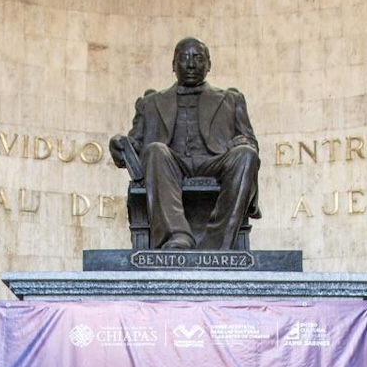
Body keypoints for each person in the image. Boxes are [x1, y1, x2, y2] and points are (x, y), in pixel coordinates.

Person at [110, 36, 259, 250]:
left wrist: (243, 142)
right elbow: (136, 142)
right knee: (154, 150)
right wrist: (119, 145)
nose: (190, 64)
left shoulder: (231, 99)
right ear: (173, 64)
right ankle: (178, 236)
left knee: (246, 155)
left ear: (209, 64)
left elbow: (251, 141)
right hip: (171, 163)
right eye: (184, 58)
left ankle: (216, 243)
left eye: (197, 58)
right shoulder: (150, 102)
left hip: (215, 162)